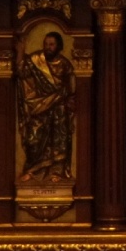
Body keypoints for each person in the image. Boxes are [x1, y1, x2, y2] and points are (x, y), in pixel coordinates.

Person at [17, 32, 76, 183]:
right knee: (33, 140)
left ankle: (57, 171)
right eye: (46, 44)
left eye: (51, 44)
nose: (48, 47)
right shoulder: (36, 60)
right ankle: (32, 170)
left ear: (59, 46)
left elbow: (71, 88)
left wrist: (70, 100)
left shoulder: (64, 64)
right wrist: (21, 51)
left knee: (58, 140)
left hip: (59, 107)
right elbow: (22, 73)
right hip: (38, 106)